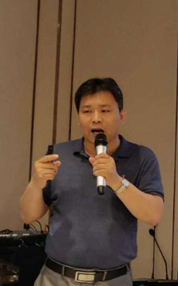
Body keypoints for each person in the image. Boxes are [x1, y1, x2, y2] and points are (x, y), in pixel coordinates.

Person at [19, 78, 164, 286]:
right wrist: (35, 183)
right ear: (78, 118)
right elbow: (28, 215)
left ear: (121, 115)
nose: (96, 119)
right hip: (55, 277)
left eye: (105, 111)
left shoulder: (141, 157)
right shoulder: (58, 154)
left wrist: (115, 180)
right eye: (87, 111)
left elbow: (153, 215)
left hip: (113, 279)